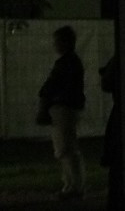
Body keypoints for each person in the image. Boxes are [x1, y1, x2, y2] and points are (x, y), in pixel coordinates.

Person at [37, 25, 86, 200]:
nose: (54, 45)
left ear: (65, 42)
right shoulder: (71, 62)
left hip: (64, 109)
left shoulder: (67, 63)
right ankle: (72, 185)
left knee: (65, 148)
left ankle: (73, 186)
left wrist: (45, 104)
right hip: (65, 108)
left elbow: (50, 87)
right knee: (66, 147)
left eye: (57, 41)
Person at [100, 56, 122, 211]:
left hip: (122, 113)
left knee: (118, 161)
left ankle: (117, 201)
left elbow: (106, 83)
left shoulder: (119, 58)